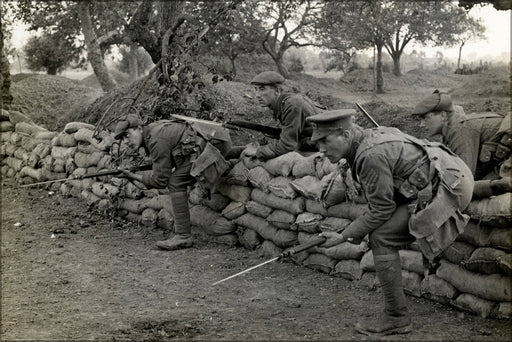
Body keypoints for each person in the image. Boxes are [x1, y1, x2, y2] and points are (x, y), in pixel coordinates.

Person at [306, 109, 474, 336]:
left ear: (345, 135)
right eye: (318, 143)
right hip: (447, 171)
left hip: (451, 185)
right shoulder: (368, 138)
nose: (321, 150)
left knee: (381, 237)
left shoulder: (370, 156)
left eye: (325, 141)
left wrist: (344, 234)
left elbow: (381, 210)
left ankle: (397, 317)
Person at [113, 114, 233, 251]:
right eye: (122, 138)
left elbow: (160, 180)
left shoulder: (156, 139)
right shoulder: (151, 132)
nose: (126, 141)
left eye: (127, 135)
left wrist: (132, 175)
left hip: (213, 144)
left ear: (139, 128)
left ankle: (183, 236)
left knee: (176, 182)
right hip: (215, 140)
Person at [412, 89, 511, 198]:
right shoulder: (451, 130)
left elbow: (464, 180)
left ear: (443, 115)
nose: (421, 125)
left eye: (426, 118)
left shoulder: (459, 130)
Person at [242, 70, 325, 160]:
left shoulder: (291, 105)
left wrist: (258, 152)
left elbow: (286, 146)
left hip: (325, 142)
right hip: (313, 140)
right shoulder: (282, 103)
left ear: (277, 91)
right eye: (256, 89)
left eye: (262, 89)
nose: (257, 95)